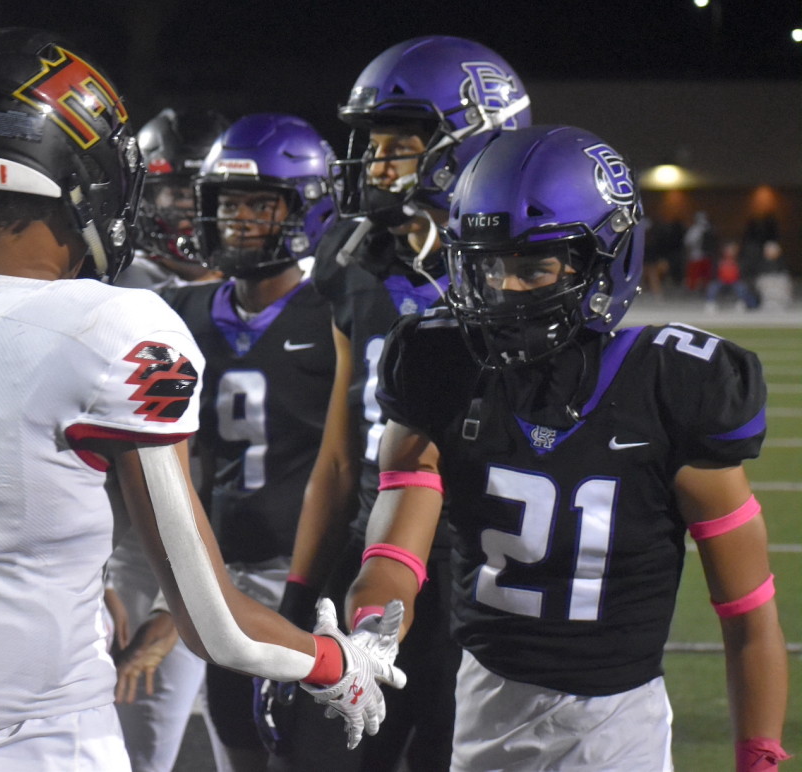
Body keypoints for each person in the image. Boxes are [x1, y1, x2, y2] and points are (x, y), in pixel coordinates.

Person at [0, 28, 404, 770]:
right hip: (45, 743)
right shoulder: (114, 326)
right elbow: (214, 623)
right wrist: (334, 664)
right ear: (75, 172)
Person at [352, 124, 790, 772]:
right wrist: (368, 636)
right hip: (482, 712)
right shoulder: (438, 367)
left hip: (616, 733)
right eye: (489, 264)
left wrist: (758, 756)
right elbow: (393, 553)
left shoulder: (672, 387)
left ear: (603, 259)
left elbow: (748, 613)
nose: (507, 288)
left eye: (533, 264)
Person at [270, 35, 531, 771]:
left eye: (397, 145)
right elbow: (339, 450)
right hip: (374, 549)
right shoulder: (356, 259)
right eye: (373, 144)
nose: (374, 164)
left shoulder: (524, 269)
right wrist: (298, 594)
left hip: (488, 565)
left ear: (468, 143)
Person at [157, 112, 339, 771]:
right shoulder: (181, 314)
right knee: (235, 741)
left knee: (311, 751)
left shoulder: (338, 312)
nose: (238, 221)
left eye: (260, 203)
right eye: (228, 204)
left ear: (306, 208)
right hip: (222, 575)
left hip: (310, 580)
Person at [108, 105, 229, 772]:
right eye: (172, 190)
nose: (186, 209)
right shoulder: (120, 288)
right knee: (137, 750)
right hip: (143, 546)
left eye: (199, 192)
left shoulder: (270, 291)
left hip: (245, 546)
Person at [116, 106, 228, 290]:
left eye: (209, 195)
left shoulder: (262, 282)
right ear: (145, 199)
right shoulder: (127, 284)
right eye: (180, 195)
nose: (195, 211)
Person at [705, 240, 758, 312]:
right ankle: (710, 303)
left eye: (732, 250)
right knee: (713, 286)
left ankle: (741, 303)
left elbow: (745, 274)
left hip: (735, 282)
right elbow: (713, 274)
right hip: (721, 281)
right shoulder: (719, 261)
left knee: (741, 287)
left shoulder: (740, 261)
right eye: (728, 250)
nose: (729, 252)